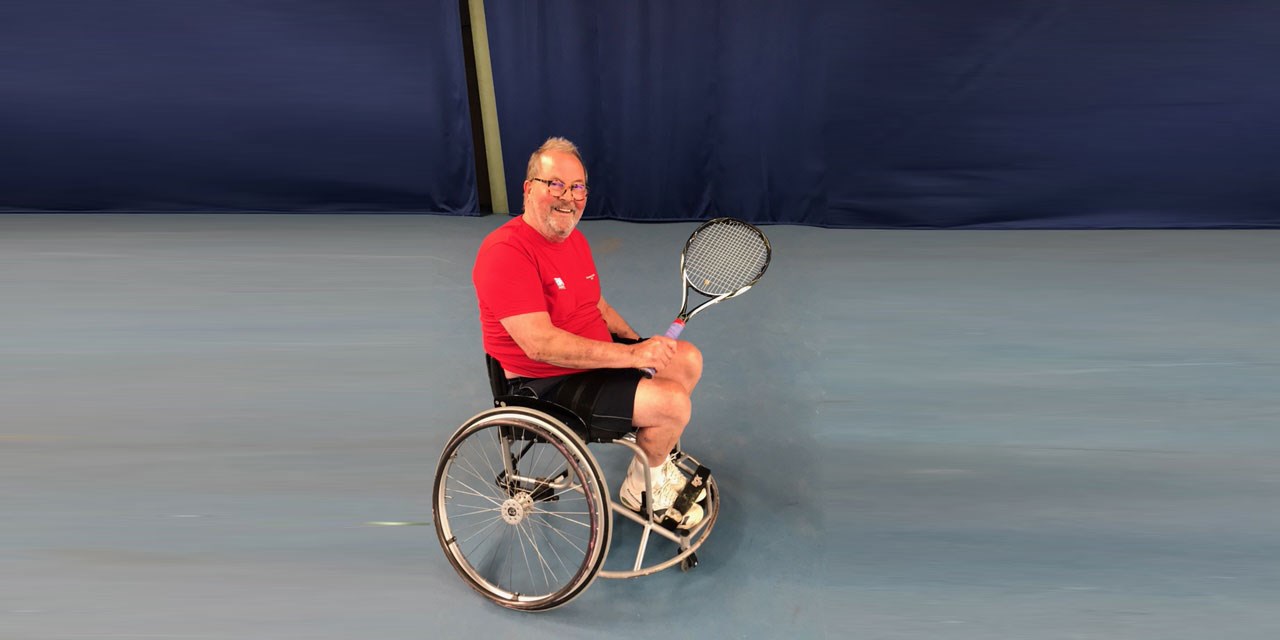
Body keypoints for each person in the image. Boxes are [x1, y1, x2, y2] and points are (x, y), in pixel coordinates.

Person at [472, 136, 705, 528]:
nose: (569, 197)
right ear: (529, 189)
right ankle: (642, 491)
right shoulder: (505, 253)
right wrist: (632, 357)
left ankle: (650, 467)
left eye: (578, 186)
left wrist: (639, 344)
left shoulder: (572, 239)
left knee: (687, 360)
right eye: (556, 184)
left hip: (589, 358)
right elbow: (540, 345)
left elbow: (595, 305)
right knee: (673, 404)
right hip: (545, 384)